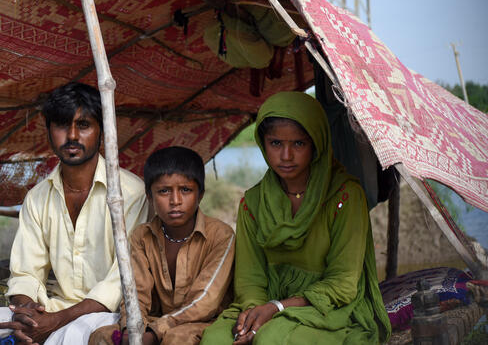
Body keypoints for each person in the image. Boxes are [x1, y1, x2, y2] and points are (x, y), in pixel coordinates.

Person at [0, 82, 150, 345]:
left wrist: (57, 321)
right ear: (49, 132)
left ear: (102, 130)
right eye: (62, 125)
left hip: (107, 314)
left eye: (83, 125)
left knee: (70, 337)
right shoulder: (38, 198)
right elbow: (26, 272)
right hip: (52, 308)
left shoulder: (131, 194)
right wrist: (27, 313)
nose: (72, 135)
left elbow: (121, 281)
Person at [200, 92, 391, 344]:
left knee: (271, 340)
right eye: (276, 143)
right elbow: (250, 279)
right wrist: (251, 315)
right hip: (265, 305)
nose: (286, 155)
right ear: (263, 143)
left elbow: (342, 284)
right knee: (215, 340)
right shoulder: (253, 203)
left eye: (298, 144)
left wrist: (277, 308)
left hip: (328, 308)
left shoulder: (345, 196)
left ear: (316, 144)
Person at [89, 147, 235, 345]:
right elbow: (135, 294)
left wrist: (155, 332)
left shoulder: (221, 235)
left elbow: (205, 302)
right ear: (149, 197)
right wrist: (131, 328)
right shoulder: (142, 236)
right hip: (155, 323)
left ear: (200, 195)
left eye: (185, 190)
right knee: (102, 336)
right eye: (164, 191)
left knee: (177, 339)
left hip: (206, 322)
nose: (175, 201)